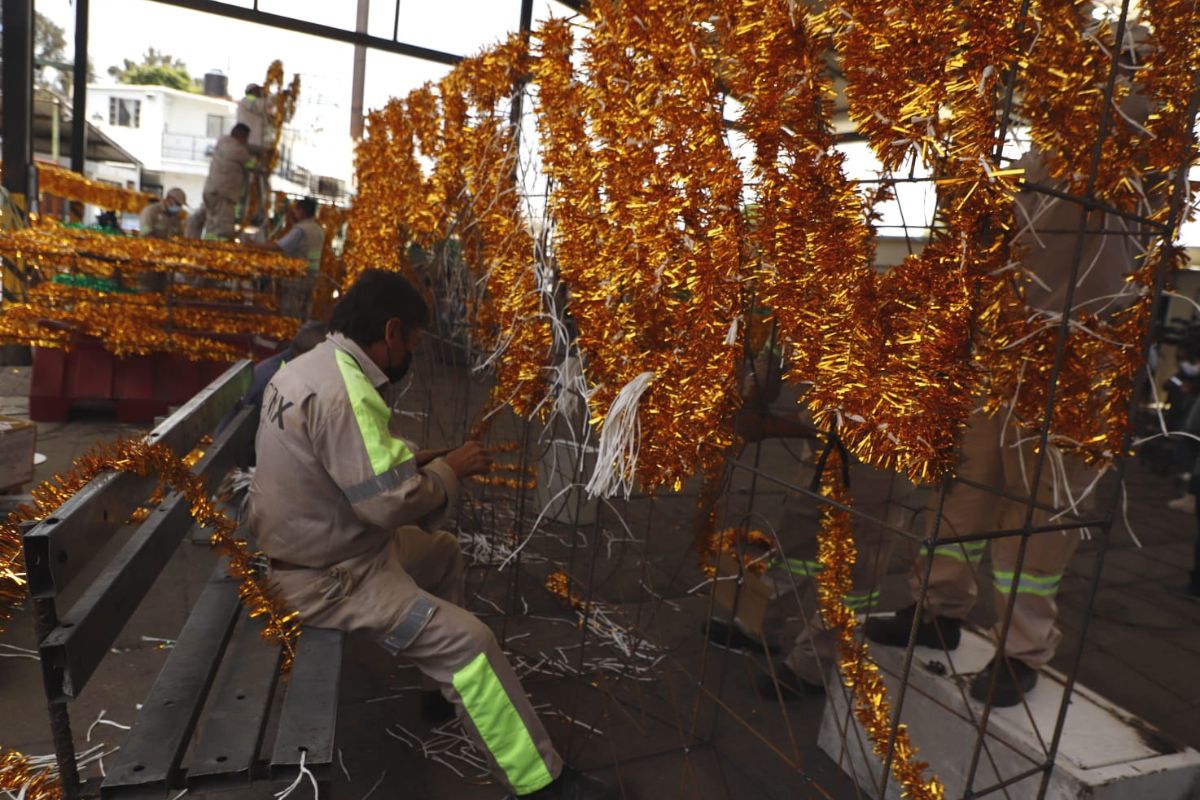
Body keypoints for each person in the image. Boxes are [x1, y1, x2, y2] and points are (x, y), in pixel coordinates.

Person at [249, 270, 613, 800]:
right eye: (414, 340)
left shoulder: (311, 367)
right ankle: (541, 783)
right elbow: (386, 503)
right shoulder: (346, 390)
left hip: (324, 544)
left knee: (442, 554)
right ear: (392, 331)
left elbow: (346, 467)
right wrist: (449, 472)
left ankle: (437, 697)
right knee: (472, 643)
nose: (413, 352)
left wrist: (424, 460)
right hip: (331, 578)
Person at [859, 142, 1142, 708]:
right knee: (965, 486)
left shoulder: (1121, 136)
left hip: (1074, 354)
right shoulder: (1040, 150)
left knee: (1040, 508)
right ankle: (936, 610)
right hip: (999, 347)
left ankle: (1020, 648)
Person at [250, 196, 325, 318]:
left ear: (302, 211)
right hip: (312, 274)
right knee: (304, 309)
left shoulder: (300, 230)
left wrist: (254, 246)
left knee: (290, 310)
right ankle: (299, 333)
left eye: (296, 210)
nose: (294, 213)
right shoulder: (318, 229)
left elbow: (279, 247)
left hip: (297, 275)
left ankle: (288, 333)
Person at [203, 123, 257, 240]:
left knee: (212, 225)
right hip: (223, 194)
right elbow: (253, 166)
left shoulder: (222, 141)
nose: (247, 141)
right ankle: (219, 252)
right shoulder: (239, 151)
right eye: (246, 138)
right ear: (241, 136)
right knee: (223, 228)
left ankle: (208, 246)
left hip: (211, 190)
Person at [236, 83, 273, 157]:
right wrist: (276, 97)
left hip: (256, 142)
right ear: (252, 91)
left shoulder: (256, 104)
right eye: (258, 90)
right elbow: (260, 105)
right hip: (251, 141)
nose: (261, 92)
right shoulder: (248, 100)